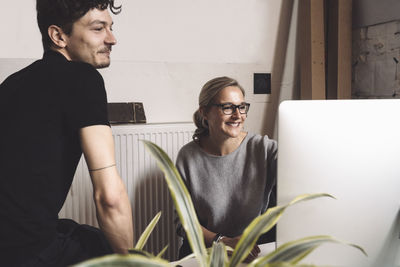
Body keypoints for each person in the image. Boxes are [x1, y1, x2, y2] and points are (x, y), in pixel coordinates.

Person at [0, 1, 134, 266]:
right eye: (98, 29)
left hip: (11, 243)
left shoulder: (11, 84)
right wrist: (133, 262)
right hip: (27, 250)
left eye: (110, 27)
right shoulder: (83, 77)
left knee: (87, 237)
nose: (112, 39)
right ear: (59, 36)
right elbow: (109, 197)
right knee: (114, 252)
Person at [175, 76, 277, 261]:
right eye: (227, 107)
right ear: (205, 112)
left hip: (251, 250)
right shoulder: (187, 157)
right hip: (207, 249)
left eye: (242, 106)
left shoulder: (265, 148)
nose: (238, 115)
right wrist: (223, 242)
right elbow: (185, 223)